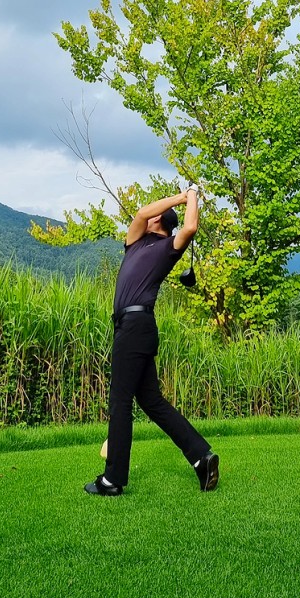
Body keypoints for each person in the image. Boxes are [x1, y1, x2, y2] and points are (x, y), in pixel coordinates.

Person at [84, 186, 219, 496]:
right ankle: (202, 457)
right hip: (133, 328)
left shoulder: (169, 247)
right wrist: (182, 195)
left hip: (135, 325)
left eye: (155, 213)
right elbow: (142, 212)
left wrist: (190, 196)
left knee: (120, 401)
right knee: (152, 402)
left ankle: (112, 480)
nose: (147, 214)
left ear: (159, 220)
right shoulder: (134, 242)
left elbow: (190, 227)